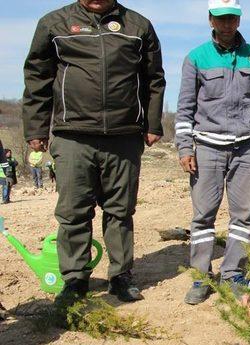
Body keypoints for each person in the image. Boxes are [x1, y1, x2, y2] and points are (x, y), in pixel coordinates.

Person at [22, 0, 166, 302]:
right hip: (72, 134)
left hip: (124, 135)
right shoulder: (54, 23)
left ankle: (121, 276)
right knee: (73, 212)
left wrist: (152, 123)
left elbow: (153, 78)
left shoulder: (138, 26)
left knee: (121, 211)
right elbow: (38, 77)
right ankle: (75, 280)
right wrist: (35, 129)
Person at [175, 0, 250, 305]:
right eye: (221, 19)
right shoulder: (196, 58)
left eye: (232, 18)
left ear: (239, 19)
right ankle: (201, 277)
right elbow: (185, 108)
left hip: (247, 148)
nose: (227, 24)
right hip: (207, 147)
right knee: (203, 216)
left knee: (243, 216)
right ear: (210, 20)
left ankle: (233, 273)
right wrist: (184, 147)